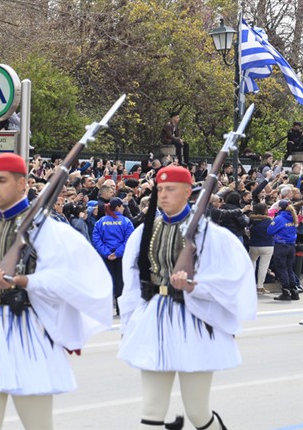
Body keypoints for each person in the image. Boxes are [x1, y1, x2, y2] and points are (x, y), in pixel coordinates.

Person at [0, 153, 112, 430]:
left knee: (37, 425)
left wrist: (24, 281)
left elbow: (66, 278)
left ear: (22, 184)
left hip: (26, 330)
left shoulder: (43, 228)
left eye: (1, 180)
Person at [117, 165, 256, 430]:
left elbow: (231, 278)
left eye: (171, 189)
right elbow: (133, 283)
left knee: (197, 411)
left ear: (187, 193)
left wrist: (195, 286)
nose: (164, 195)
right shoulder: (144, 232)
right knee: (151, 411)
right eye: (159, 189)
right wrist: (128, 324)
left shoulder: (210, 235)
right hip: (155, 319)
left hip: (194, 322)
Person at [92, 197, 135, 315]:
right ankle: (120, 308)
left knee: (106, 282)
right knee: (121, 282)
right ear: (117, 207)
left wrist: (106, 253)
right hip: (121, 257)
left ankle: (105, 310)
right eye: (122, 206)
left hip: (105, 258)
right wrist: (117, 253)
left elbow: (96, 240)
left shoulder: (100, 222)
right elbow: (129, 240)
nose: (124, 208)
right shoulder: (126, 221)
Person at [269, 199, 301, 301]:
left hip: (281, 245)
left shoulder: (280, 218)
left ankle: (285, 291)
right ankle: (294, 290)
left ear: (280, 207)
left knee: (282, 268)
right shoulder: (293, 216)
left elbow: (269, 230)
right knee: (289, 268)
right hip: (291, 245)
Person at [247, 202, 274, 294]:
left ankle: (249, 284)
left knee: (252, 264)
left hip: (254, 244)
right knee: (263, 266)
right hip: (267, 244)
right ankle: (260, 287)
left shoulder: (251, 220)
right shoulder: (268, 221)